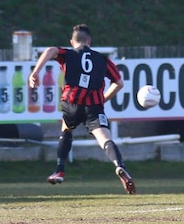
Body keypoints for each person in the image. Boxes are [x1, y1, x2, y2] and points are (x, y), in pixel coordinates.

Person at [29, 23, 136, 194]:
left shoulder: (68, 54)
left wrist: (35, 72)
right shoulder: (103, 59)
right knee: (104, 139)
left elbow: (50, 50)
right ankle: (120, 166)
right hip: (94, 106)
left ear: (72, 41)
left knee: (66, 130)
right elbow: (119, 83)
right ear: (89, 41)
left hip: (71, 103)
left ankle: (59, 170)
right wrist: (103, 99)